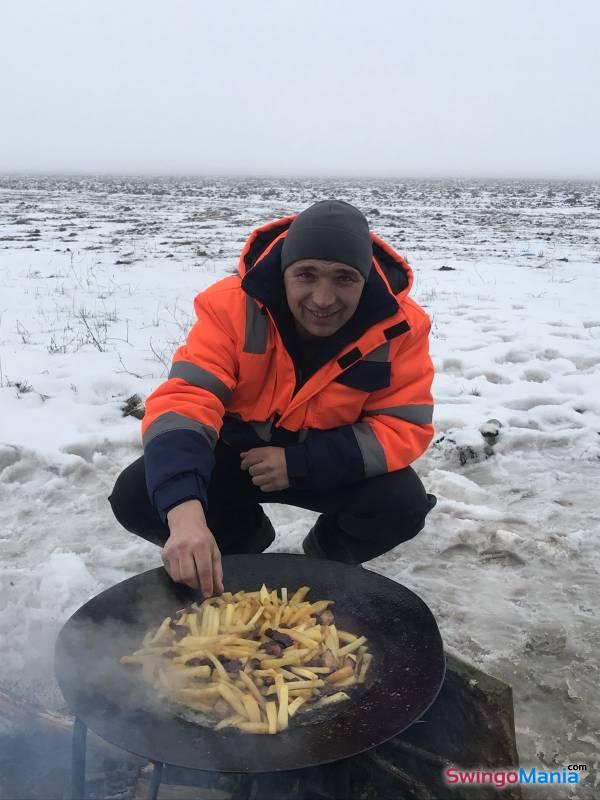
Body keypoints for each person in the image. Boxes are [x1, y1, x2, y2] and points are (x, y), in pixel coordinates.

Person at [109, 200, 436, 597]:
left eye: (344, 279)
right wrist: (185, 515)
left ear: (365, 280)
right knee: (137, 494)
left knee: (402, 504)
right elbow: (187, 400)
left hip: (328, 462)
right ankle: (240, 551)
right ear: (284, 273)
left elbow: (403, 426)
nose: (322, 298)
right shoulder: (231, 305)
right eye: (306, 275)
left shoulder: (400, 327)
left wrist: (300, 463)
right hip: (236, 456)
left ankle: (323, 563)